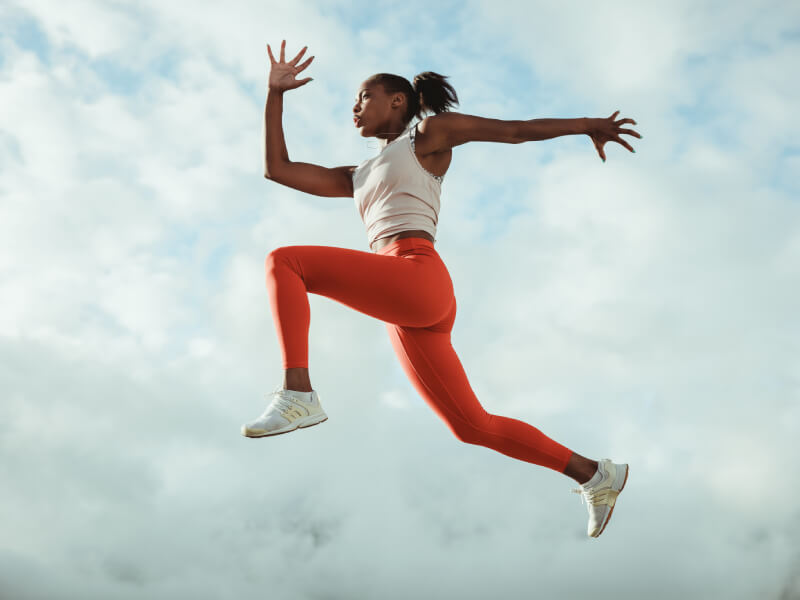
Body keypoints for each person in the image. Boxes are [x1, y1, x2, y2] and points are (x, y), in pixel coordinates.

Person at [242, 40, 642, 538]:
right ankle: (595, 475)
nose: (354, 107)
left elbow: (514, 131)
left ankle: (298, 391)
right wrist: (274, 94)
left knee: (286, 262)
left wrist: (587, 124)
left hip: (417, 274)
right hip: (405, 305)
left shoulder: (428, 137)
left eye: (363, 96)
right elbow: (277, 169)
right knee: (470, 426)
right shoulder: (359, 174)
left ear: (397, 101)